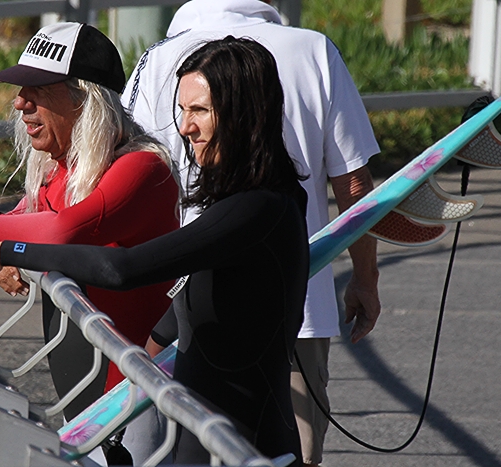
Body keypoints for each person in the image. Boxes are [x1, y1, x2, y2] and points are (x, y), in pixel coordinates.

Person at [0, 36, 309, 465]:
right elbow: (190, 300)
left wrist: (6, 252)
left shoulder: (257, 208)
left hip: (246, 449)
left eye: (199, 111)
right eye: (181, 110)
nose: (184, 127)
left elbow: (124, 268)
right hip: (198, 437)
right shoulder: (244, 205)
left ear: (243, 115)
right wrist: (141, 376)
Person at [121, 1, 381, 464]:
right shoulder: (313, 50)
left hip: (186, 304)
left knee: (185, 448)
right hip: (292, 302)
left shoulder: (158, 58)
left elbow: (127, 175)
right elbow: (353, 183)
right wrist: (365, 278)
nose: (187, 126)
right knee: (288, 449)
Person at [0, 22, 180, 421]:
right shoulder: (61, 167)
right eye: (21, 90)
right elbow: (27, 221)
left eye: (37, 90)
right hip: (90, 401)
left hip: (140, 400)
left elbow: (60, 231)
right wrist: (5, 247)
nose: (20, 103)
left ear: (85, 100)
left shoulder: (142, 168)